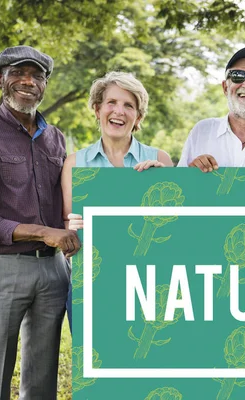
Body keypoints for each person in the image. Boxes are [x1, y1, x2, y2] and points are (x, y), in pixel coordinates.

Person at [0, 45, 80, 400]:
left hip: (54, 271)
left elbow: (69, 200)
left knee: (43, 378)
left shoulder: (56, 138)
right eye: (18, 72)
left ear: (45, 85)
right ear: (1, 79)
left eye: (37, 75)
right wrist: (44, 232)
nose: (28, 81)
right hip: (3, 268)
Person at [61, 71, 173, 330]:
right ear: (97, 108)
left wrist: (164, 185)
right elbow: (67, 230)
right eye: (112, 102)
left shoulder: (160, 159)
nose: (119, 111)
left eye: (129, 106)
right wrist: (72, 228)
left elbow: (176, 231)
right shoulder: (75, 164)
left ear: (139, 117)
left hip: (149, 282)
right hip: (93, 281)